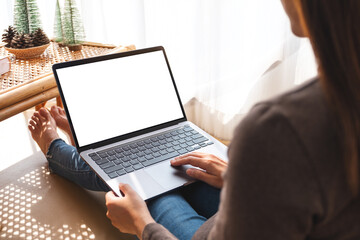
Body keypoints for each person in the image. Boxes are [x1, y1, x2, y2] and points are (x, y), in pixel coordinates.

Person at [29, 0, 360, 239]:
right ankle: (97, 139)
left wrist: (142, 226)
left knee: (146, 188)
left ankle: (60, 147)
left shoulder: (277, 130)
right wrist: (241, 177)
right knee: (178, 169)